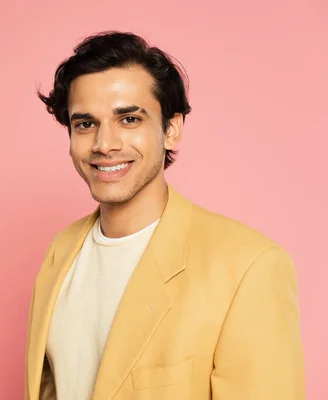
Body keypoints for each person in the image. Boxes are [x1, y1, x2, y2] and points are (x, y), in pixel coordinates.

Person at [24, 31, 305, 400]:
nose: (104, 144)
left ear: (171, 130)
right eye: (86, 124)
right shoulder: (60, 252)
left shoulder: (248, 266)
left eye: (128, 120)